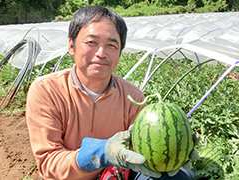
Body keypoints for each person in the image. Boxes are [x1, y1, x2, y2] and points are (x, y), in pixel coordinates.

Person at [26, 6, 198, 180]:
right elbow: (48, 163)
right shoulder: (47, 90)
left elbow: (141, 151)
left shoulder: (133, 97)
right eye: (91, 42)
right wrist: (101, 154)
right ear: (71, 45)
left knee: (178, 176)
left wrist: (174, 144)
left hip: (115, 175)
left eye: (111, 45)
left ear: (119, 52)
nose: (101, 53)